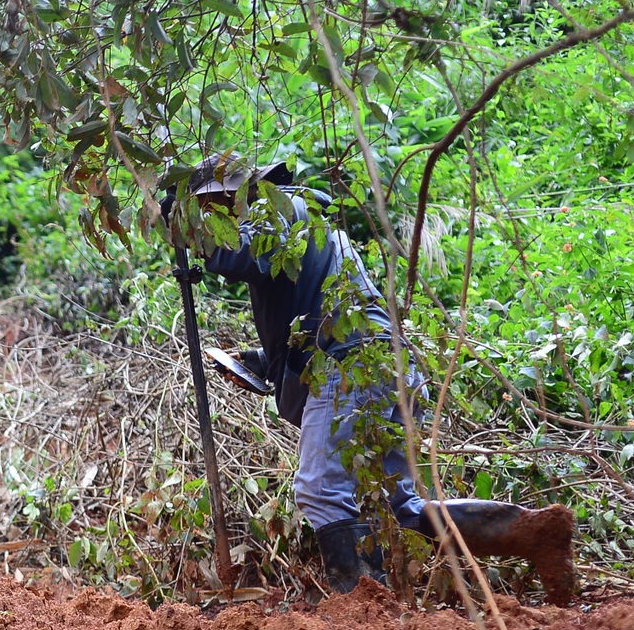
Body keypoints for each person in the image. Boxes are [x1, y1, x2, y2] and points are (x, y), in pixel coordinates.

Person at [168, 155, 578, 603]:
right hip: (384, 366)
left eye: (212, 207)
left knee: (320, 490)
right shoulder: (311, 219)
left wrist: (183, 221)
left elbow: (235, 253)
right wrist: (262, 360)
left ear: (235, 195)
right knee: (398, 509)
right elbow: (321, 313)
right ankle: (533, 532)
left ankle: (363, 617)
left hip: (350, 368)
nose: (214, 220)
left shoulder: (278, 210)